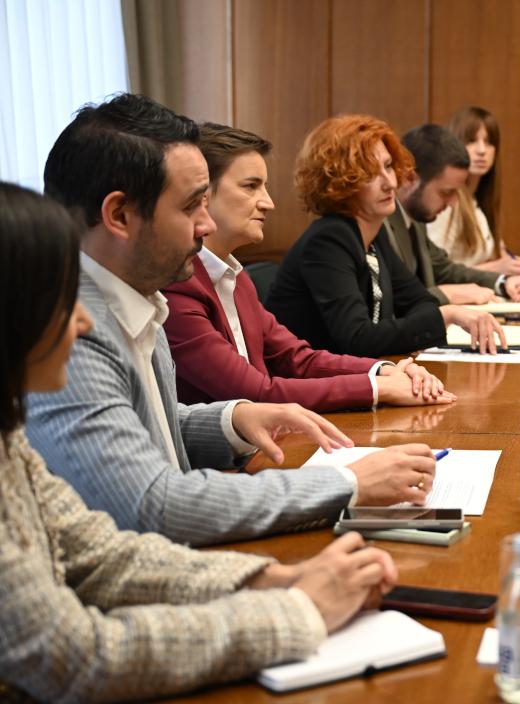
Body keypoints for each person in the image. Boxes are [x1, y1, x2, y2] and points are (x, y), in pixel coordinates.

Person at [0, 181, 400, 701]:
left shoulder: (9, 440)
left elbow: (102, 558)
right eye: (59, 297)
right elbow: (72, 655)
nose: (82, 319)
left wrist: (273, 579)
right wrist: (297, 610)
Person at [27, 94, 438, 547]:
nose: (205, 225)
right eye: (191, 206)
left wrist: (234, 418)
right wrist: (349, 484)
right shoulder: (64, 331)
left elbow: (149, 426)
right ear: (120, 215)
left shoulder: (138, 295)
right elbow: (152, 504)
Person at [162, 122, 456, 411]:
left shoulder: (236, 277)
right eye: (251, 186)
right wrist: (378, 388)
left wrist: (384, 370)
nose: (268, 203)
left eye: (264, 187)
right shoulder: (179, 284)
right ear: (202, 195)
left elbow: (296, 357)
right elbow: (254, 393)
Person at [266, 114, 507, 355]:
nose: (390, 182)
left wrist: (438, 316)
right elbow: (357, 338)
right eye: (370, 173)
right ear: (341, 182)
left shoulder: (375, 233)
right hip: (299, 377)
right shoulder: (329, 240)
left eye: (389, 166)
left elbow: (419, 301)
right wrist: (447, 315)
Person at [382, 124, 520, 305]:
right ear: (409, 179)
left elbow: (444, 270)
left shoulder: (415, 217)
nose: (453, 203)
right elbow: (392, 302)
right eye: (446, 192)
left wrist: (503, 283)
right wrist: (445, 294)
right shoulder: (381, 223)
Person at [427, 105, 520, 274]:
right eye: (471, 141)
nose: (482, 150)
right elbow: (434, 273)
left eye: (489, 142)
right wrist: (497, 268)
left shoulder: (477, 202)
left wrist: (510, 264)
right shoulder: (447, 202)